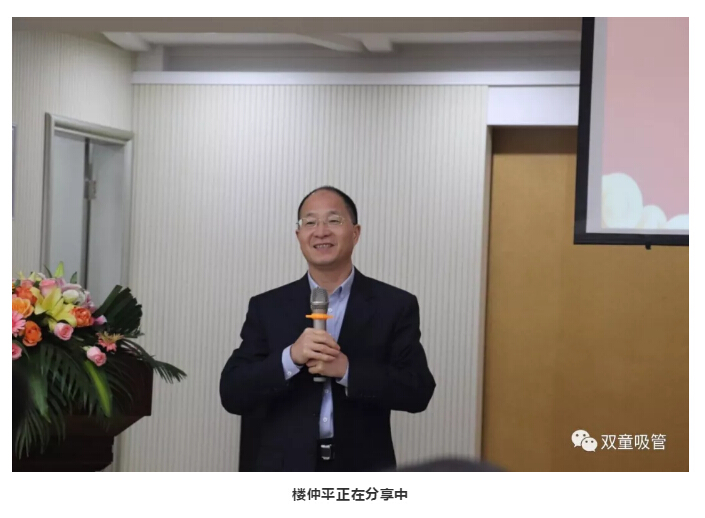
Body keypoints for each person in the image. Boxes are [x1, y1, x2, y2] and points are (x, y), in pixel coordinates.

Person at [220, 186, 436, 472]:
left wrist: (348, 371)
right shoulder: (267, 307)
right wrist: (290, 358)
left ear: (355, 233)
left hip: (361, 469)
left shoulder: (394, 305)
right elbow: (232, 392)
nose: (321, 231)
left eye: (334, 220)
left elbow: (418, 390)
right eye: (310, 222)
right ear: (299, 235)